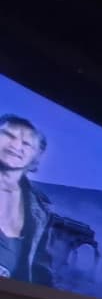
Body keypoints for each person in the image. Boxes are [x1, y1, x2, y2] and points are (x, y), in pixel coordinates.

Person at [0, 114, 54, 283]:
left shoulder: (41, 207)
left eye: (26, 143)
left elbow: (39, 265)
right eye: (9, 135)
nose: (16, 145)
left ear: (35, 156)